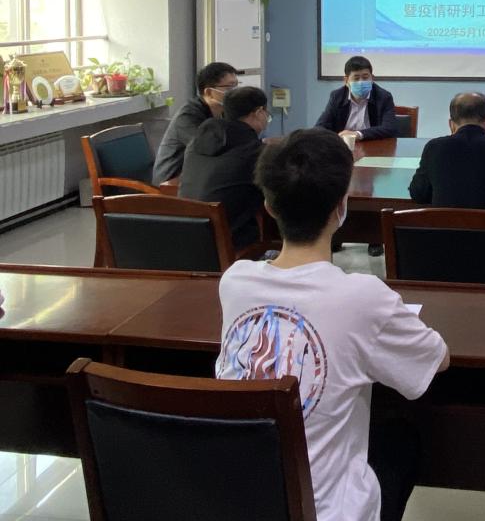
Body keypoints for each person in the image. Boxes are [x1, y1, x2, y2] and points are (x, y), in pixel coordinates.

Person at [216, 127, 449, 521]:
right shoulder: (364, 297)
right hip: (326, 512)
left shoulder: (235, 281)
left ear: (269, 207)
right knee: (401, 438)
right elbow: (437, 360)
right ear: (342, 204)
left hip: (243, 498)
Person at [178, 86, 269, 250]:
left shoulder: (196, 142)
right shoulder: (255, 152)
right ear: (259, 112)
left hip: (185, 237)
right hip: (229, 244)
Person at [153, 62, 238, 184]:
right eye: (229, 88)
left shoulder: (225, 112)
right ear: (209, 92)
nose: (235, 92)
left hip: (202, 173)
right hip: (173, 181)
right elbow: (207, 148)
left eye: (236, 86)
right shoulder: (188, 116)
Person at [315, 55, 398, 142]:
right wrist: (336, 138)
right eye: (356, 78)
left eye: (365, 77)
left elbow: (390, 128)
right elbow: (320, 127)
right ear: (346, 81)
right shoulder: (337, 96)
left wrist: (358, 134)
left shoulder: (384, 97)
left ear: (372, 78)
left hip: (373, 144)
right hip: (343, 145)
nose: (361, 82)